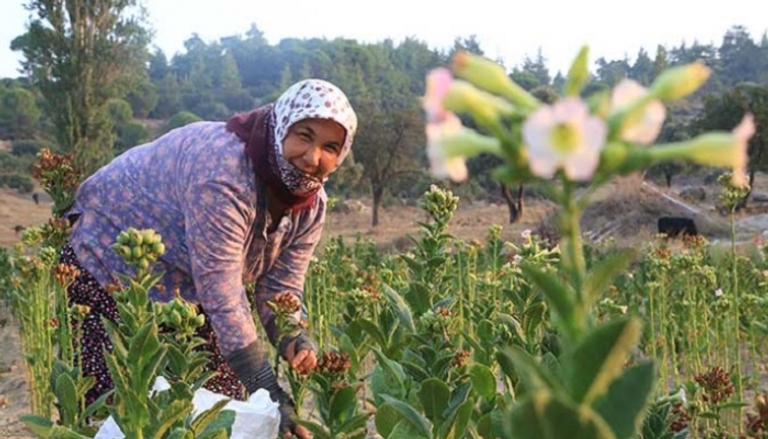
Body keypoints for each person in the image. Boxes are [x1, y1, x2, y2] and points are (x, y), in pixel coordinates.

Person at [61, 79, 358, 439]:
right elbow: (222, 292)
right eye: (304, 136)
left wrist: (294, 339)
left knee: (215, 412)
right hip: (113, 262)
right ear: (281, 126)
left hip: (185, 285)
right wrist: (270, 389)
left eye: (330, 147)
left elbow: (282, 286)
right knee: (123, 408)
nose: (313, 158)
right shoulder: (224, 173)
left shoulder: (310, 205)